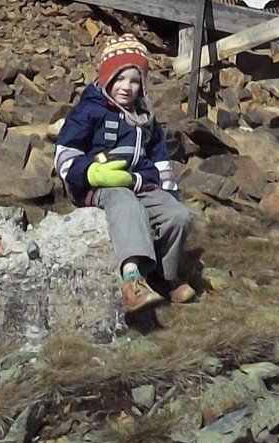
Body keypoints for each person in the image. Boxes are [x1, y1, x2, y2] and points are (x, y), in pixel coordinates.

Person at [54, 35, 195, 315]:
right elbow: (64, 153)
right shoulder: (89, 110)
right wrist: (91, 173)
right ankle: (132, 280)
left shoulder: (145, 116)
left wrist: (169, 194)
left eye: (134, 80)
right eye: (119, 78)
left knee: (179, 216)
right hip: (99, 186)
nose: (126, 87)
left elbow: (160, 159)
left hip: (141, 183)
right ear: (106, 77)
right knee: (126, 204)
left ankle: (166, 275)